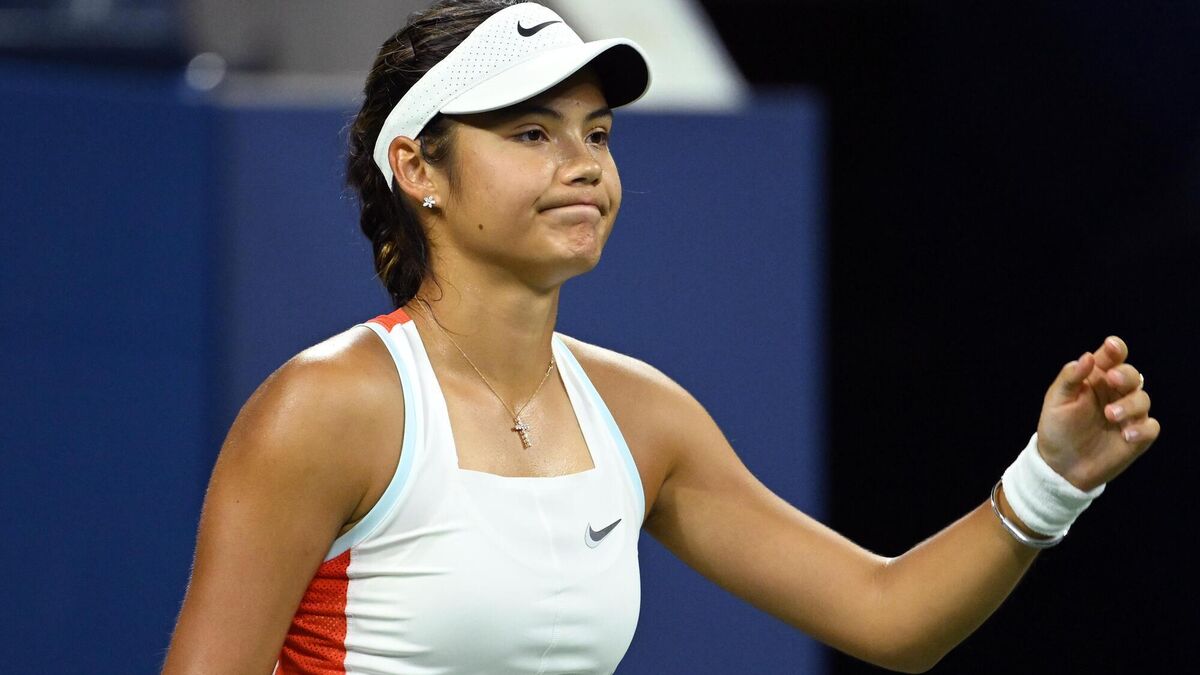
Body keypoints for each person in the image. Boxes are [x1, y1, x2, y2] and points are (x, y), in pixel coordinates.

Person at [161, 1, 1160, 673]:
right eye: (532, 133)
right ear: (419, 168)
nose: (583, 164)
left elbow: (887, 615)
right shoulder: (327, 409)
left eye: (596, 133)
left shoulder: (643, 417)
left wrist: (1052, 478)